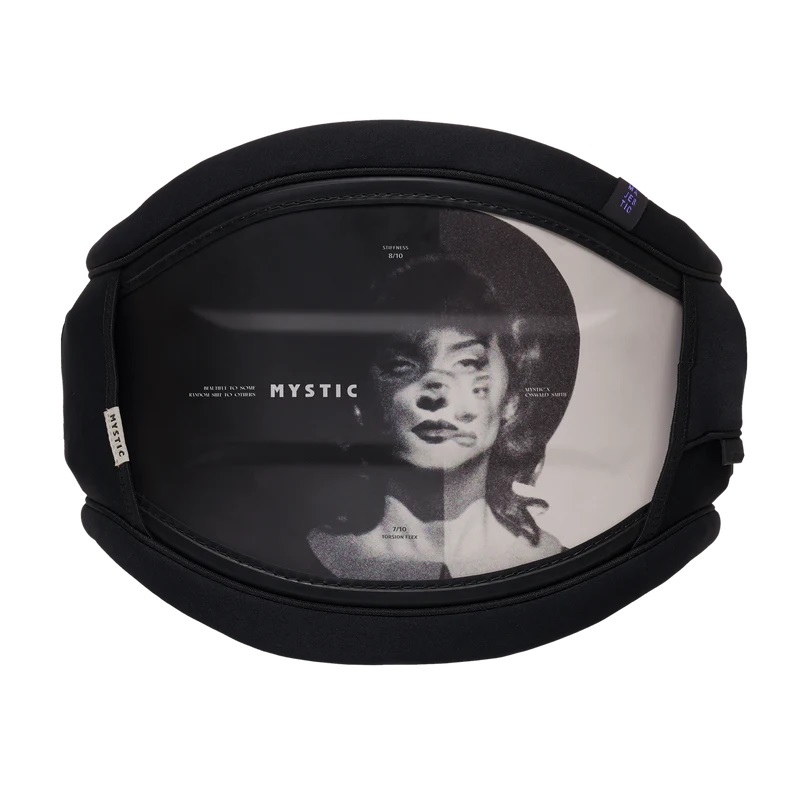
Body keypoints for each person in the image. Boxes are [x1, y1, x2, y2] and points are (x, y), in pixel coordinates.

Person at [305, 253, 567, 581]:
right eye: (402, 365)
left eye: (468, 362)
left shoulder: (569, 571)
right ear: (363, 403)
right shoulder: (290, 566)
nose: (436, 391)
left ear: (511, 397)